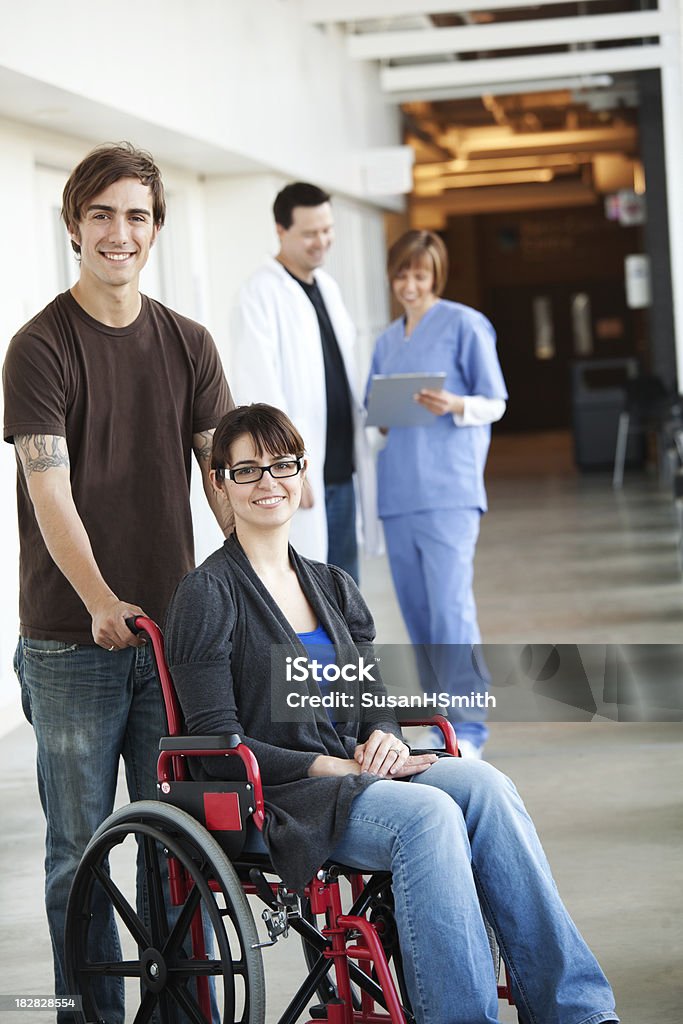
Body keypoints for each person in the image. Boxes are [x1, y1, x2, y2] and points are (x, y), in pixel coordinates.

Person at [164, 403, 618, 1024]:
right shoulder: (206, 594)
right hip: (286, 798)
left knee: (486, 785)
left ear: (301, 475)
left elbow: (373, 701)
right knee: (428, 815)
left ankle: (577, 1011)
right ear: (219, 483)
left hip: (362, 775)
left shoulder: (332, 584)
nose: (267, 481)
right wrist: (337, 766)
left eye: (281, 465)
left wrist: (381, 739)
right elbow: (217, 740)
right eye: (246, 470)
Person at [2, 142, 232, 1022]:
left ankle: (175, 1013)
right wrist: (101, 602)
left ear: (157, 228)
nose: (119, 231)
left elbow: (223, 484)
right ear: (72, 225)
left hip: (174, 643)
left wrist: (266, 588)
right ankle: (87, 1012)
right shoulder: (38, 347)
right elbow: (48, 490)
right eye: (100, 213)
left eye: (136, 214)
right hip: (71, 642)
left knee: (180, 841)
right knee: (80, 848)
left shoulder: (190, 343)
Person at [367, 230, 508, 759]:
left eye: (420, 275)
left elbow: (495, 402)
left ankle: (470, 728)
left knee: (451, 613)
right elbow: (374, 415)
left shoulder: (466, 325)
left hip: (449, 491)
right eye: (401, 274)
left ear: (436, 275)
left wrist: (454, 404)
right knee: (419, 616)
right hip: (400, 493)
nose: (409, 285)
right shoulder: (386, 340)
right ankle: (438, 720)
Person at [229, 181, 379, 582]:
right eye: (310, 233)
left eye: (327, 230)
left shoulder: (328, 289)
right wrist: (285, 469)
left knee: (347, 598)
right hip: (306, 481)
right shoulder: (259, 293)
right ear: (281, 229)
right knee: (310, 602)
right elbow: (257, 391)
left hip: (344, 473)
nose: (322, 241)